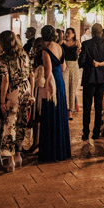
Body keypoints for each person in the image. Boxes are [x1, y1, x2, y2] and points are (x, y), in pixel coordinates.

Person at [0, 30, 34, 171]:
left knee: (10, 124)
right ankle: (18, 155)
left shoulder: (4, 58)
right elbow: (31, 74)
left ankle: (10, 159)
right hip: (26, 89)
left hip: (14, 91)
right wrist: (31, 94)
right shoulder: (24, 54)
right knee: (22, 123)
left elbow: (5, 80)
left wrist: (2, 100)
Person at [37, 25, 71, 162]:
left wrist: (46, 88)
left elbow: (48, 72)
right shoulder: (59, 47)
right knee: (60, 114)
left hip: (52, 84)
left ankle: (51, 152)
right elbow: (63, 67)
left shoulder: (46, 50)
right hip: (60, 82)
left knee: (50, 114)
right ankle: (61, 150)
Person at [61, 28, 80, 120]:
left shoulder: (77, 42)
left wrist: (78, 53)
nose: (67, 34)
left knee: (73, 88)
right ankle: (65, 109)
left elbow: (80, 53)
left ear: (73, 34)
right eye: (66, 32)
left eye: (69, 33)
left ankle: (70, 111)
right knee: (65, 87)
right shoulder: (62, 42)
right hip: (65, 65)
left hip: (74, 66)